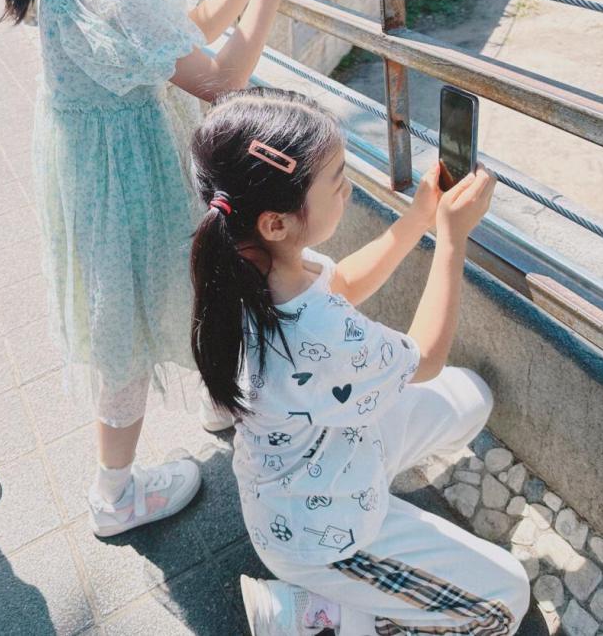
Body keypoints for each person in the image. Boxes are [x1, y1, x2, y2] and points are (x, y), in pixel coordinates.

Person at [0, 0, 311, 539]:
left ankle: (218, 398)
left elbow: (189, 29)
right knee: (126, 335)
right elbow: (218, 77)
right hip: (125, 193)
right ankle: (114, 494)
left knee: (188, 285)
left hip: (128, 176)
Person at [189, 89, 530, 635]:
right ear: (276, 223)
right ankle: (318, 615)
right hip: (323, 537)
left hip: (319, 465)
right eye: (337, 179)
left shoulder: (246, 267)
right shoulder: (315, 331)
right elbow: (426, 358)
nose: (347, 188)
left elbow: (341, 282)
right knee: (504, 604)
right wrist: (451, 239)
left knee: (472, 396)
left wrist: (420, 215)